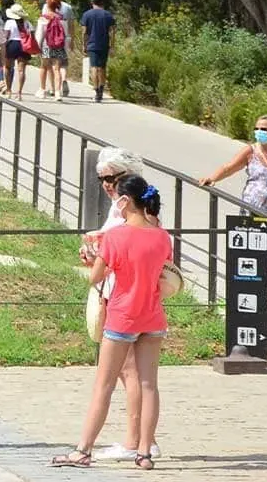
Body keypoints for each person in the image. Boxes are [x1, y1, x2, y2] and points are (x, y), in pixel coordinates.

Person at [51, 173, 169, 470]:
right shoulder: (162, 236)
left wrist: (93, 257)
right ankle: (144, 451)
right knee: (149, 385)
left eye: (118, 197)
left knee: (103, 385)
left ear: (125, 200)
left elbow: (95, 277)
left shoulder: (116, 236)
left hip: (122, 315)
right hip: (152, 315)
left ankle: (83, 449)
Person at [78, 147, 163, 463]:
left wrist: (98, 254)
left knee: (123, 375)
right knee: (140, 377)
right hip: (146, 307)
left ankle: (134, 441)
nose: (106, 184)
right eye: (101, 178)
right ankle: (142, 443)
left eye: (111, 178)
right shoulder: (134, 216)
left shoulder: (132, 217)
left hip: (124, 302)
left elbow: (116, 256)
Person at [198, 114, 267, 308]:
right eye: (257, 129)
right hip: (252, 209)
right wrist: (212, 178)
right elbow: (229, 167)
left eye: (264, 129)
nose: (259, 133)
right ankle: (252, 295)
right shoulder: (251, 151)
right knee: (253, 250)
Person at [80, 0, 117, 103]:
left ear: (92, 3)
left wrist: (84, 45)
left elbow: (84, 32)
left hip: (92, 44)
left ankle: (96, 90)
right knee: (102, 67)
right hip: (104, 44)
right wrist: (112, 45)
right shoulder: (108, 15)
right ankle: (101, 88)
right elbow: (112, 31)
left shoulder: (87, 14)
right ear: (102, 3)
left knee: (94, 67)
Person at [38, 0, 69, 100]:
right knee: (57, 69)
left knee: (44, 67)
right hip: (59, 46)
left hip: (46, 45)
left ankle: (42, 90)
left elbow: (40, 35)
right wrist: (65, 49)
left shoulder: (44, 18)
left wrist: (38, 47)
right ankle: (57, 93)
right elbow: (65, 36)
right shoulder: (62, 20)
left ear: (47, 6)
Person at [3, 3, 34, 101]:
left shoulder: (9, 23)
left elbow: (6, 35)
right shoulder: (28, 23)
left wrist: (2, 46)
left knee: (8, 67)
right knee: (21, 70)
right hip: (24, 45)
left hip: (12, 44)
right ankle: (19, 93)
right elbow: (32, 36)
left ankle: (8, 90)